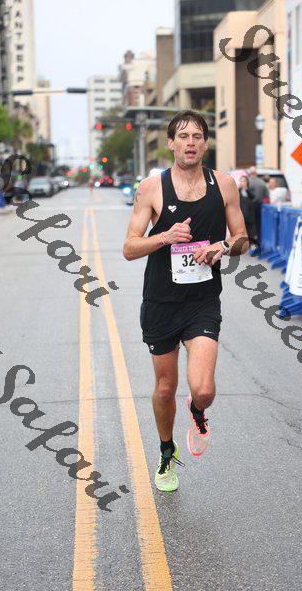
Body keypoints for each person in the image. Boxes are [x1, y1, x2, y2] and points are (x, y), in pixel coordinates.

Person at [123, 110, 248, 492]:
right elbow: (129, 248)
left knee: (203, 389)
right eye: (183, 136)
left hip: (203, 301)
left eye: (197, 136)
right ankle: (166, 450)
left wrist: (223, 246)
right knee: (164, 388)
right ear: (171, 143)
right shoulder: (151, 188)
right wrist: (165, 236)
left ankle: (197, 410)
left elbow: (243, 238)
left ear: (205, 144)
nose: (190, 142)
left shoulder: (224, 184)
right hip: (161, 301)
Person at [247, 166, 269, 246]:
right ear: (256, 173)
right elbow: (266, 195)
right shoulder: (262, 182)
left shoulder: (247, 182)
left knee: (249, 224)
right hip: (260, 205)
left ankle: (250, 242)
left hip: (249, 206)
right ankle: (258, 242)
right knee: (258, 224)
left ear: (250, 173)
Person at [238, 175, 255, 244]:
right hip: (241, 212)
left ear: (247, 182)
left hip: (249, 213)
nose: (242, 182)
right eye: (241, 181)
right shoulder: (238, 190)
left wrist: (246, 189)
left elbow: (253, 197)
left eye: (244, 181)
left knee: (249, 229)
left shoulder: (250, 189)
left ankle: (250, 243)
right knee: (241, 229)